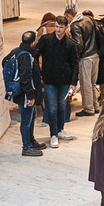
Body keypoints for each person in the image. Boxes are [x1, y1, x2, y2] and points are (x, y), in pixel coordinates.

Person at [35, 16, 78, 148]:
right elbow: (35, 54)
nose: (58, 30)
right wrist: (39, 72)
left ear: (66, 28)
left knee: (62, 106)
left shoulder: (71, 44)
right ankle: (53, 134)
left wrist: (73, 82)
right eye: (57, 27)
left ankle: (60, 129)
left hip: (65, 80)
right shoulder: (46, 40)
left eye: (61, 27)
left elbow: (75, 64)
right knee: (52, 108)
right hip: (49, 80)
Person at [6, 32, 45, 156]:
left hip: (20, 92)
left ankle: (31, 141)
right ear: (33, 42)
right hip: (25, 94)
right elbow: (26, 78)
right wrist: (30, 96)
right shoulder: (26, 56)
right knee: (26, 119)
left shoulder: (15, 51)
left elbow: (4, 62)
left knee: (31, 117)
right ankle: (26, 147)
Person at [65, 8, 99, 117]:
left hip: (85, 57)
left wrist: (74, 58)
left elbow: (78, 44)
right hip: (95, 55)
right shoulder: (88, 19)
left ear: (69, 16)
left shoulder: (75, 25)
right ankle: (95, 106)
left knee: (86, 84)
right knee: (93, 83)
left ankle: (88, 108)